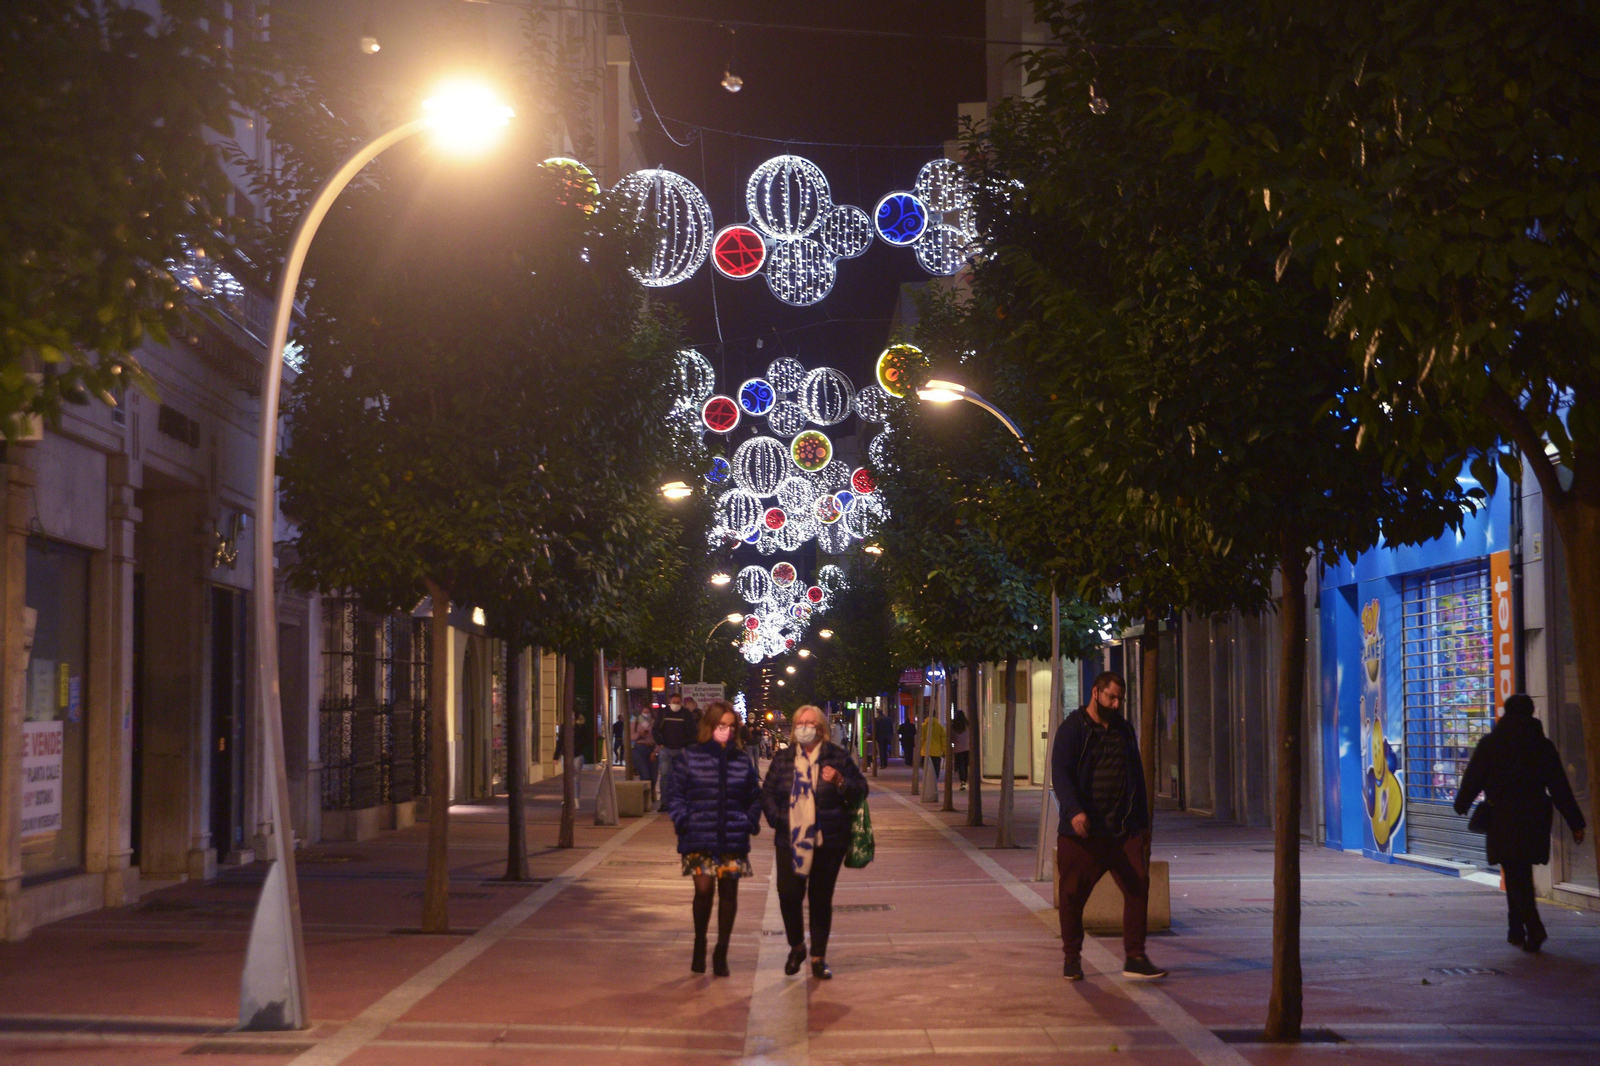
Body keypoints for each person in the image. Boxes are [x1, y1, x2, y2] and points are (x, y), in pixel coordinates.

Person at [1051, 671, 1166, 982]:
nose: (1116, 704)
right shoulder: (1073, 729)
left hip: (1121, 830)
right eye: (1111, 697)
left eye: (1120, 699)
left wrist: (1141, 824)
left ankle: (1135, 956)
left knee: (1138, 883)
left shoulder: (1124, 730)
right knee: (1073, 895)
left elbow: (1136, 778)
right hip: (1083, 835)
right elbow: (1060, 774)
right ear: (1095, 693)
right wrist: (1074, 811)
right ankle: (1072, 958)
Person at [1454, 693, 1586, 952]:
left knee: (1515, 872)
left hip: (1502, 815)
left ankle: (1534, 929)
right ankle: (1515, 930)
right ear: (1532, 712)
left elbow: (1473, 778)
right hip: (1535, 816)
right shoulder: (1542, 745)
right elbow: (1560, 787)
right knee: (1518, 870)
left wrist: (1462, 804)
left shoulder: (1491, 743)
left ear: (1505, 711)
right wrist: (1575, 823)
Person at [761, 704, 869, 980]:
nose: (804, 728)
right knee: (788, 893)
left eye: (810, 723)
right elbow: (768, 794)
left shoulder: (837, 756)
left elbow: (860, 789)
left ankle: (818, 957)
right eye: (800, 723)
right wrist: (780, 818)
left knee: (821, 899)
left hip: (828, 840)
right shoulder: (783, 759)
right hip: (790, 839)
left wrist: (841, 780)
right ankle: (797, 946)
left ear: (821, 729)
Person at [664, 700, 762, 976]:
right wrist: (684, 821)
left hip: (732, 837)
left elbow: (754, 796)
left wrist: (748, 821)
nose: (727, 732)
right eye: (722, 726)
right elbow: (676, 795)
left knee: (729, 893)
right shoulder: (690, 756)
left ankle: (722, 951)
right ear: (710, 726)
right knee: (703, 891)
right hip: (699, 837)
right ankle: (700, 944)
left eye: (732, 727)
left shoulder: (741, 759)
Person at [653, 693, 699, 804]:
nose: (676, 705)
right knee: (665, 775)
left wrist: (686, 746)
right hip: (666, 749)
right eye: (674, 702)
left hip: (681, 750)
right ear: (670, 702)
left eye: (678, 702)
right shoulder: (664, 713)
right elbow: (655, 729)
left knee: (681, 776)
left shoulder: (685, 714)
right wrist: (660, 744)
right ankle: (664, 802)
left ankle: (680, 801)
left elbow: (693, 732)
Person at [631, 710, 658, 788]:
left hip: (652, 748)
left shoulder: (656, 722)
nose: (646, 714)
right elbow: (632, 737)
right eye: (644, 712)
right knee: (645, 775)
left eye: (648, 712)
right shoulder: (636, 721)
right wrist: (639, 734)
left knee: (653, 777)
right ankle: (645, 797)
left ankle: (650, 795)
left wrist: (656, 751)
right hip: (639, 748)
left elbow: (659, 738)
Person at [920, 711, 946, 781]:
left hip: (925, 752)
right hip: (936, 753)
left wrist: (920, 749)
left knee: (926, 770)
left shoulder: (923, 726)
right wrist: (944, 752)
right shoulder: (940, 727)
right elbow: (943, 741)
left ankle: (928, 783)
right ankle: (934, 783)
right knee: (935, 770)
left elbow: (920, 739)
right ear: (935, 715)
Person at [950, 710, 971, 790]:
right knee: (965, 765)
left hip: (958, 749)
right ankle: (964, 780)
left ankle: (962, 781)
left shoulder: (954, 726)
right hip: (967, 748)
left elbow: (952, 738)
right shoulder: (967, 725)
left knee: (960, 766)